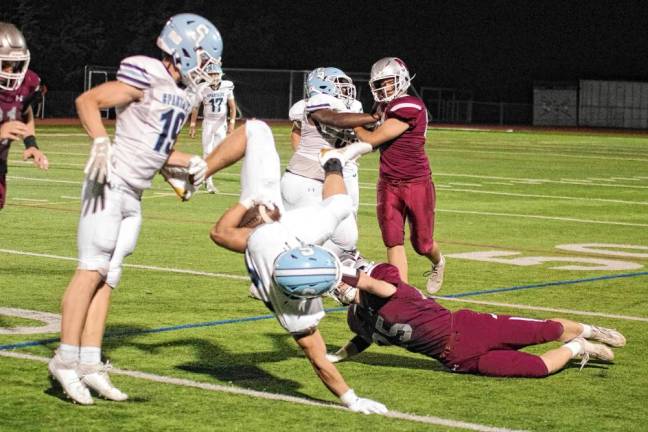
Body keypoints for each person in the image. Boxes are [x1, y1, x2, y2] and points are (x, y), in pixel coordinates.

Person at [47, 13, 222, 405]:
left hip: (134, 194)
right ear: (183, 52)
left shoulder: (182, 93)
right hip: (109, 183)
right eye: (206, 61)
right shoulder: (147, 74)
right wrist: (99, 141)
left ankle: (90, 364)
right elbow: (88, 101)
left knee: (108, 277)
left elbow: (156, 150)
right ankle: (65, 359)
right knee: (90, 268)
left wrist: (185, 166)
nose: (210, 71)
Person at [208, 125, 387, 415]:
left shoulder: (260, 241)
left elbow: (219, 233)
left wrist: (250, 201)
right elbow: (320, 361)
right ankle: (334, 162)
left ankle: (195, 173)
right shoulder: (298, 308)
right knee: (340, 205)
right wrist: (351, 399)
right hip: (291, 235)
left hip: (280, 234)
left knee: (257, 130)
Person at [326, 259, 626, 378]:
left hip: (470, 328)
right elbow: (365, 337)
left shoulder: (384, 279)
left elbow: (374, 286)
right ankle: (580, 348)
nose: (340, 290)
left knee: (550, 330)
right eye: (335, 287)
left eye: (342, 282)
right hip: (457, 359)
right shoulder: (357, 317)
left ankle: (591, 330)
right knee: (538, 368)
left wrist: (343, 275)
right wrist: (340, 355)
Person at [349, 57, 444, 293]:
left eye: (388, 82)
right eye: (379, 83)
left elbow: (372, 139)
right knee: (392, 240)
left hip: (416, 183)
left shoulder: (409, 106)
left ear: (400, 80)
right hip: (388, 183)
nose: (383, 88)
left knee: (422, 244)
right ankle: (404, 294)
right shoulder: (382, 107)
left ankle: (438, 261)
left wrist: (350, 121)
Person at [281, 67, 376, 258]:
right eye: (340, 84)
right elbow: (333, 118)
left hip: (338, 174)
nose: (346, 89)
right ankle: (294, 266)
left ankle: (329, 269)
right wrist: (373, 118)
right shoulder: (316, 102)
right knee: (313, 237)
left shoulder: (352, 108)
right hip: (308, 179)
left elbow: (365, 138)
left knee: (347, 239)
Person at [0, 22, 49, 210]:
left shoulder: (26, 83)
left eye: (14, 64)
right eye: (4, 64)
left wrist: (31, 144)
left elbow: (24, 109)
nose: (10, 71)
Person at [188, 63, 236, 193]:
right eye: (211, 74)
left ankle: (203, 177)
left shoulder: (227, 86)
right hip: (208, 123)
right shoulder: (202, 88)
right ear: (207, 76)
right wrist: (192, 125)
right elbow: (196, 107)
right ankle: (208, 182)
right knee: (207, 152)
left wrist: (231, 123)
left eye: (216, 74)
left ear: (220, 74)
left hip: (221, 123)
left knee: (218, 153)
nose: (214, 76)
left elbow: (232, 106)